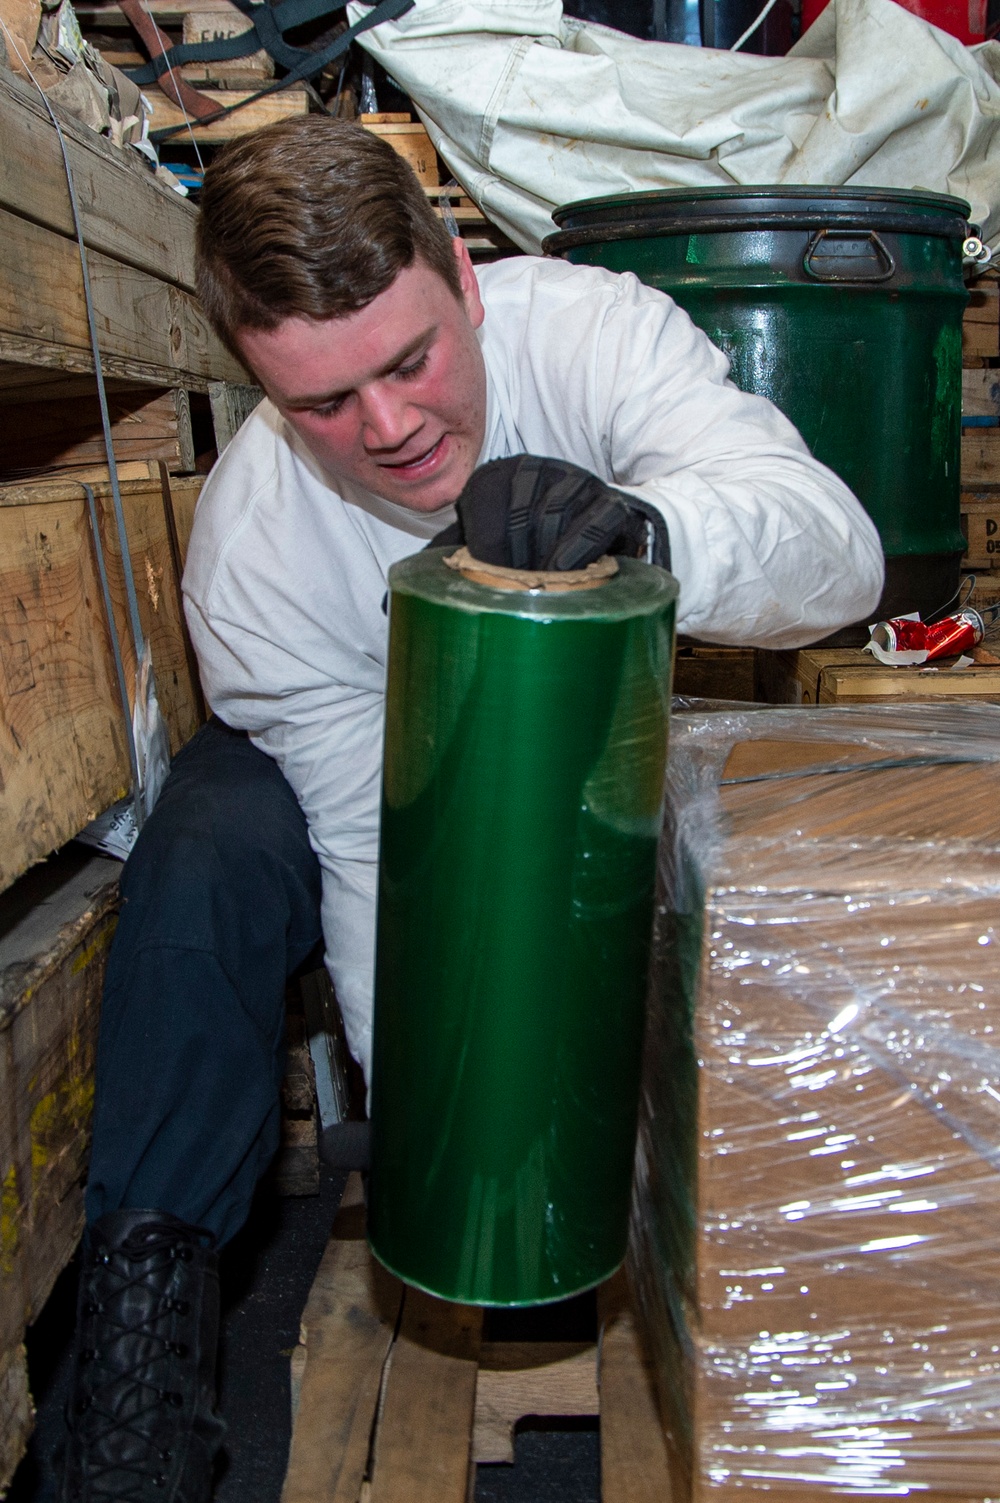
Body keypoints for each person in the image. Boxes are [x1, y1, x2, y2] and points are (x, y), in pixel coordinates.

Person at [60, 115, 883, 1502]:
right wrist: (460, 1145)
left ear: (466, 276)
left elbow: (839, 551)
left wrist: (655, 531)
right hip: (416, 806)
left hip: (615, 775)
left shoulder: (598, 334)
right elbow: (373, 860)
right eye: (323, 404)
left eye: (410, 361)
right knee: (208, 838)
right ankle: (137, 1391)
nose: (387, 430)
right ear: (255, 379)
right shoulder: (256, 554)